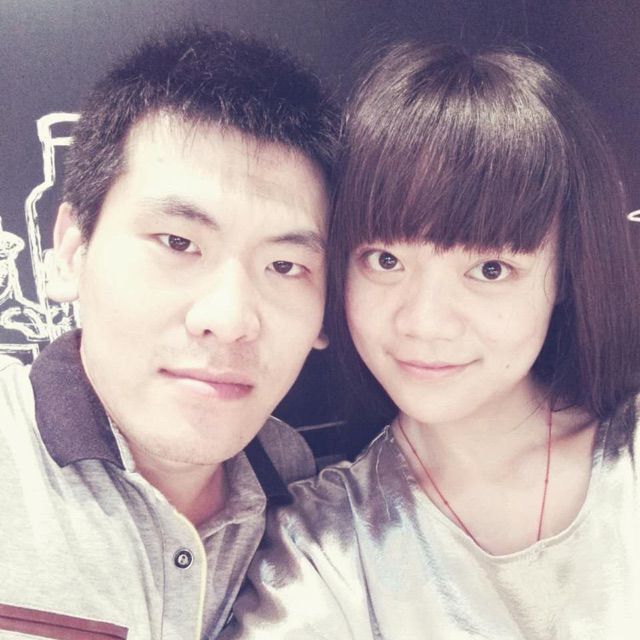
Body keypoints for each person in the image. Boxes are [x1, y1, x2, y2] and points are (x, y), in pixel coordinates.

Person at [223, 42, 640, 639]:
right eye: (385, 259)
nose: (425, 322)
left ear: (566, 276)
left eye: (490, 269)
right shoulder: (321, 548)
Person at [0, 28, 337, 639]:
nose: (230, 319)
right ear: (71, 252)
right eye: (178, 242)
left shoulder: (302, 490)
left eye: (286, 266)